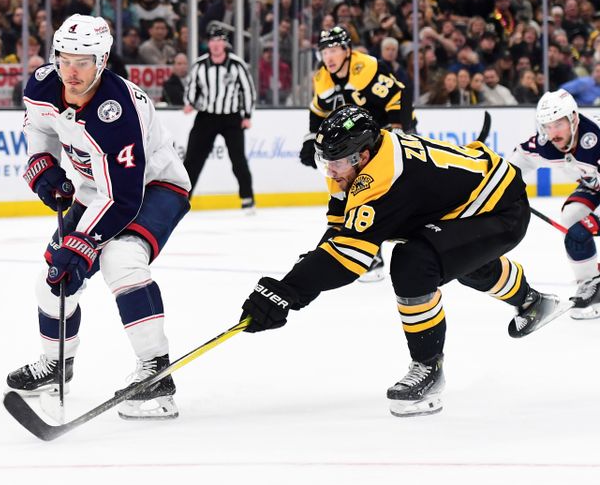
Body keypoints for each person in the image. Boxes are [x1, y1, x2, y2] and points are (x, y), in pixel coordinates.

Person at [239, 105, 562, 417]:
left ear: (362, 155)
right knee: (459, 259)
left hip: (500, 209)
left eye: (335, 163)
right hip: (467, 201)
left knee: (415, 263)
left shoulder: (383, 176)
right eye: (326, 162)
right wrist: (292, 289)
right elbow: (339, 234)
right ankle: (532, 302)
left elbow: (349, 259)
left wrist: (289, 290)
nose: (331, 172)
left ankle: (428, 367)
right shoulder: (354, 163)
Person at [6, 14, 191, 420]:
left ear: (102, 61)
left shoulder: (117, 111)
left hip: (156, 187)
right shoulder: (42, 83)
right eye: (64, 58)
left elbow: (123, 199)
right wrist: (42, 165)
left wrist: (83, 243)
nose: (70, 72)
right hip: (98, 191)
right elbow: (40, 129)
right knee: (50, 282)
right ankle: (57, 365)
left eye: (82, 62)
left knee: (120, 259)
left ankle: (156, 376)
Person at [300, 25, 415, 281]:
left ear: (347, 50)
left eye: (333, 50)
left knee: (383, 192)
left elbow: (400, 95)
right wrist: (310, 139)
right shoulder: (323, 77)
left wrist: (398, 132)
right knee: (344, 184)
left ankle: (379, 248)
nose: (328, 57)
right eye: (324, 51)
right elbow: (318, 110)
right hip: (360, 139)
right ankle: (355, 246)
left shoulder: (367, 68)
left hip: (388, 132)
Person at [510, 89, 600, 319]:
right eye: (547, 126)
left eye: (558, 124)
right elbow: (517, 161)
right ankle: (592, 284)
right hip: (594, 186)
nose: (552, 133)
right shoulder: (545, 144)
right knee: (572, 218)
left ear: (574, 119)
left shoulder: (596, 137)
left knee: (584, 226)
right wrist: (500, 182)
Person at [182, 26, 256, 212]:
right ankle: (182, 199)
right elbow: (191, 87)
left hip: (231, 118)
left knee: (238, 159)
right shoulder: (200, 65)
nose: (216, 44)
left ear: (225, 43)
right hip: (206, 116)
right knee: (192, 159)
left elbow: (247, 90)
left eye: (219, 40)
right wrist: (189, 103)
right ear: (208, 43)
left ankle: (247, 198)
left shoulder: (237, 65)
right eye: (213, 40)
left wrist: (247, 115)